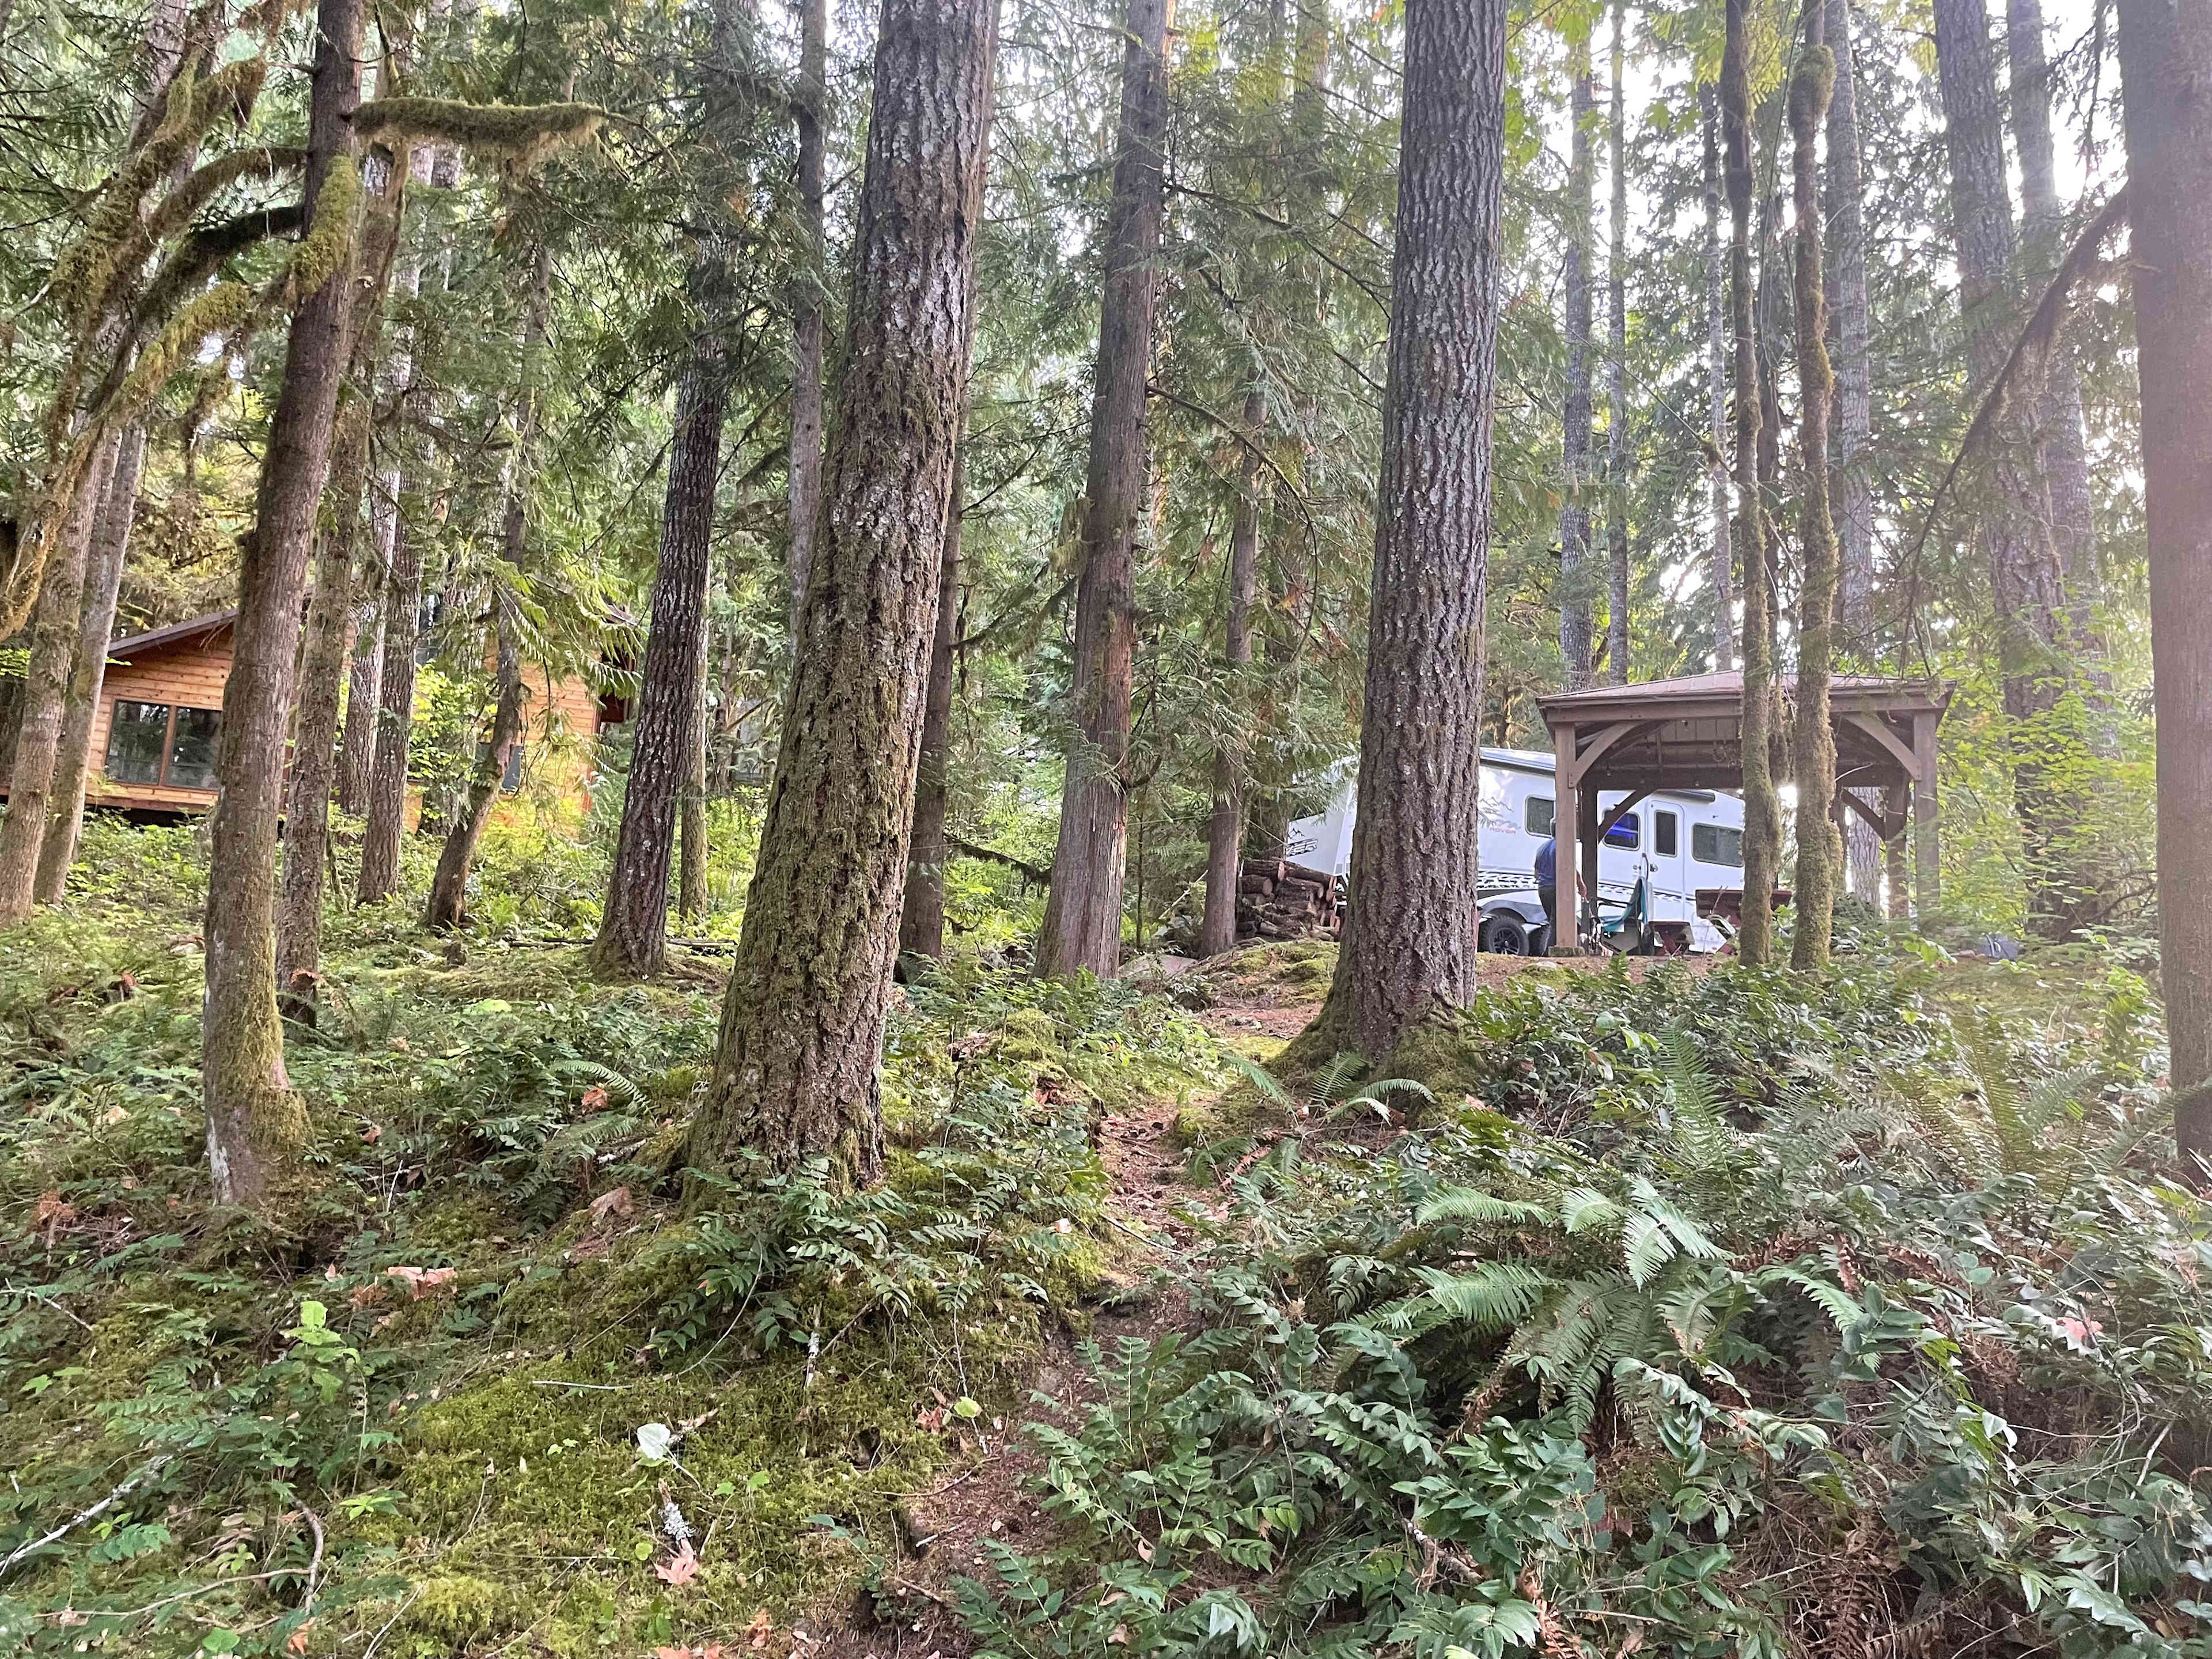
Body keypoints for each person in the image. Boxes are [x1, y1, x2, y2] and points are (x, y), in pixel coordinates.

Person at [1535, 834, 1557, 945]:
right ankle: (1549, 951)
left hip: (1542, 888)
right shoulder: (1561, 846)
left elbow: (1536, 874)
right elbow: (1569, 867)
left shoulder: (1542, 848)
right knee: (1557, 923)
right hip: (1554, 888)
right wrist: (1581, 884)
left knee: (1552, 922)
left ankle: (1549, 949)